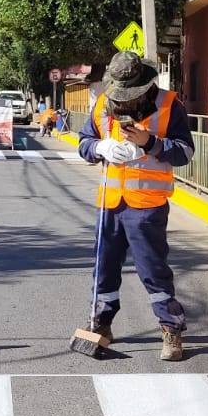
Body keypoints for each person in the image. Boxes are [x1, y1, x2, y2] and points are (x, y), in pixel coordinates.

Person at [77, 49, 195, 361]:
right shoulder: (103, 103)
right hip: (110, 205)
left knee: (153, 271)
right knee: (104, 270)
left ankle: (171, 328)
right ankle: (100, 324)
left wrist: (149, 144)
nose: (124, 101)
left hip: (147, 207)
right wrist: (100, 147)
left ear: (144, 85)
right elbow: (84, 143)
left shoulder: (169, 105)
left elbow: (184, 152)